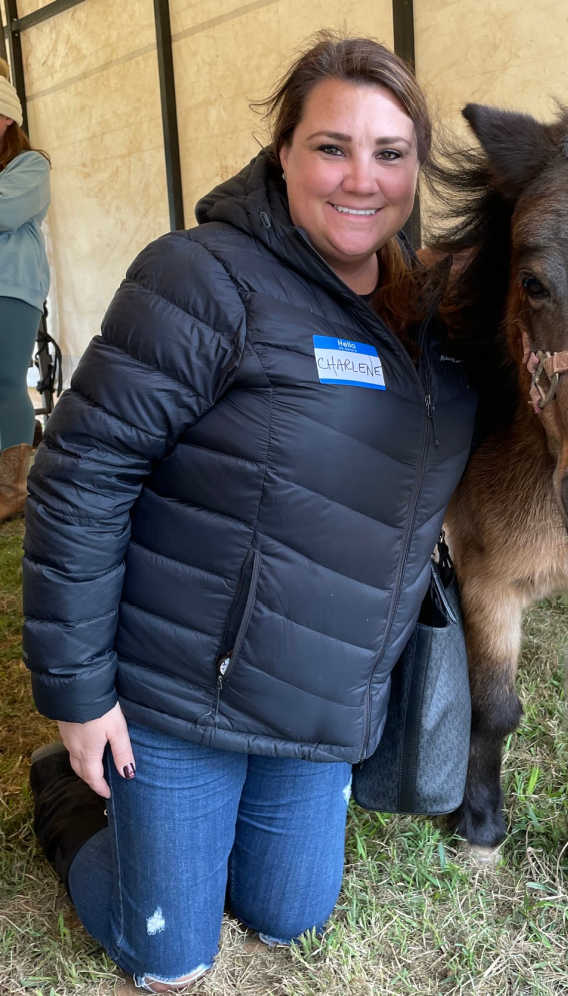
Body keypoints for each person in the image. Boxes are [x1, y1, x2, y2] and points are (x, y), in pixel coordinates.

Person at [23, 34, 475, 992]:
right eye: (331, 147)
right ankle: (67, 798)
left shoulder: (434, 316)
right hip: (183, 690)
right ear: (283, 153)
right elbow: (81, 475)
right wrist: (79, 695)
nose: (362, 178)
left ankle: (177, 837)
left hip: (319, 697)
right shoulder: (202, 278)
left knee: (287, 916)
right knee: (169, 958)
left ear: (417, 170)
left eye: (390, 153)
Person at [0, 57, 50, 522]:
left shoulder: (31, 166)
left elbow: (5, 212)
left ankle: (11, 490)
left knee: (5, 380)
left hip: (11, 289)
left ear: (7, 119)